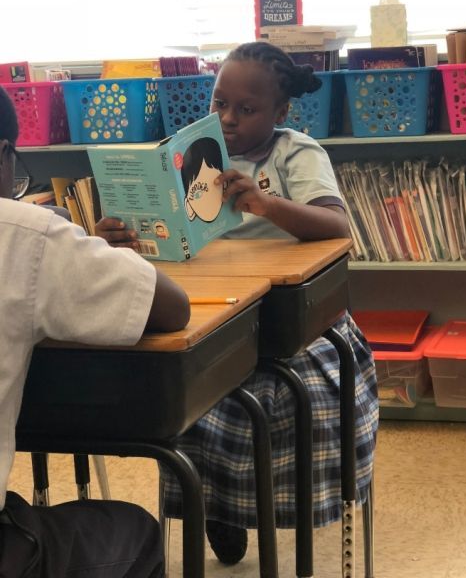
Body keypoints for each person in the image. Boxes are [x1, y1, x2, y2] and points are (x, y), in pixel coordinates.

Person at [97, 41, 379, 566]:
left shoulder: (297, 153)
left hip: (285, 317)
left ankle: (255, 507)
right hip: (210, 307)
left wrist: (266, 205)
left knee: (290, 399)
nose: (227, 119)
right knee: (188, 391)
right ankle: (218, 506)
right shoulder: (187, 154)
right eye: (218, 103)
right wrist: (121, 233)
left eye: (246, 110)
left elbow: (338, 226)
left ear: (280, 112)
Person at [0, 84, 191, 577]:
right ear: (4, 156)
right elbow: (173, 307)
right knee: (136, 530)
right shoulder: (25, 233)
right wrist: (85, 249)